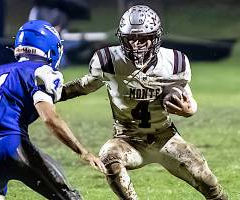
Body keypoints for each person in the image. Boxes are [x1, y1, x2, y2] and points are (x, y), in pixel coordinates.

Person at [60, 5, 228, 200]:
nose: (136, 44)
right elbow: (83, 85)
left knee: (208, 182)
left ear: (155, 37)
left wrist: (189, 110)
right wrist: (53, 93)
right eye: (130, 38)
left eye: (143, 38)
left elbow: (189, 103)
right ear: (122, 38)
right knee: (109, 157)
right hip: (127, 138)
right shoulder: (109, 60)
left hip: (165, 137)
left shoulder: (174, 62)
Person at [0, 20, 106, 200]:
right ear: (51, 48)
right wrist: (82, 152)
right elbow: (49, 118)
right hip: (11, 145)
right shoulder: (41, 70)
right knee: (68, 197)